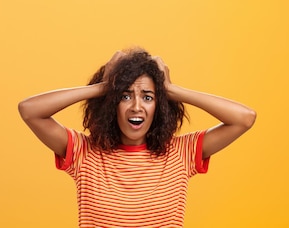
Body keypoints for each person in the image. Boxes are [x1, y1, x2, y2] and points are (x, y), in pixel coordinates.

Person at [18, 47, 256, 227]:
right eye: (125, 96)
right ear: (111, 104)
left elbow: (244, 118)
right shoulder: (84, 152)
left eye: (148, 97)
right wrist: (102, 87)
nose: (136, 107)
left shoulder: (181, 153)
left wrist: (171, 90)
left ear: (160, 106)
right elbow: (30, 111)